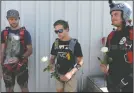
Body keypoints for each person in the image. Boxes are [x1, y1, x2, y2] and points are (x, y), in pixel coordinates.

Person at [100, 0, 133, 92]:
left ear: (125, 15)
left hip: (129, 82)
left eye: (116, 14)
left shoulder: (132, 34)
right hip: (112, 81)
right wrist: (104, 63)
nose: (112, 17)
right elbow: (107, 52)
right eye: (112, 15)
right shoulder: (111, 36)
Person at [1, 9, 32, 92]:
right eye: (11, 19)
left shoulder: (25, 33)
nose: (13, 21)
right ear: (7, 19)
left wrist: (19, 58)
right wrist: (1, 67)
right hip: (6, 66)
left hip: (21, 65)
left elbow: (30, 51)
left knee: (24, 88)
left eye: (15, 19)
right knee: (8, 89)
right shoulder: (4, 33)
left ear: (18, 18)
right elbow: (2, 50)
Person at [49, 20, 83, 92]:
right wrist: (50, 65)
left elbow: (80, 61)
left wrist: (71, 73)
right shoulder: (56, 43)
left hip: (70, 75)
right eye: (56, 31)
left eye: (60, 30)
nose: (58, 33)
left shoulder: (75, 44)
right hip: (58, 75)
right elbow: (52, 58)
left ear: (67, 29)